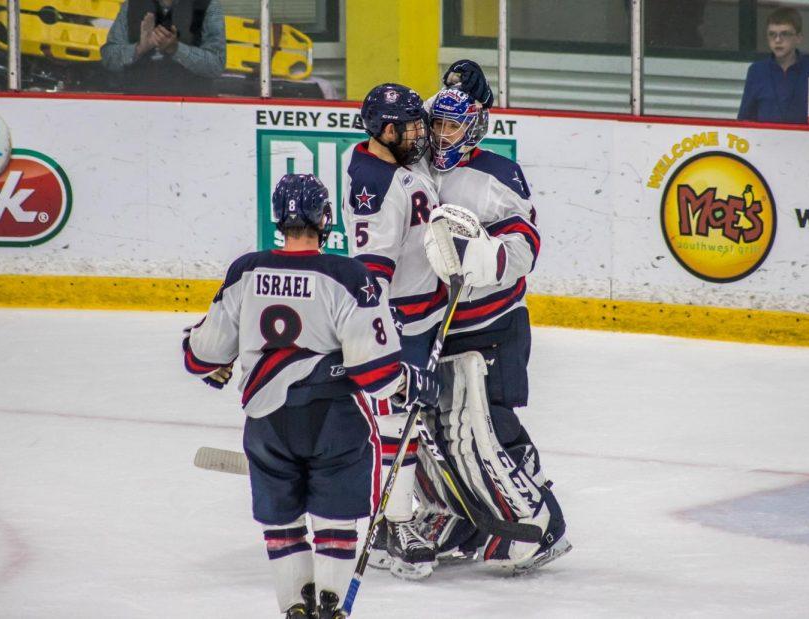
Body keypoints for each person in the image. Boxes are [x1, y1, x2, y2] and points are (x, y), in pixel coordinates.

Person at [182, 173, 439, 618]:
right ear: (326, 218)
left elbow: (202, 355)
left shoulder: (246, 270)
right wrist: (414, 383)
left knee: (282, 524)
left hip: (266, 423)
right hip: (334, 420)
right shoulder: (348, 275)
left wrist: (212, 361)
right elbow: (376, 374)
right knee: (335, 524)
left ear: (278, 218)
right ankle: (332, 608)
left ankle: (294, 609)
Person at [410, 62, 572, 574]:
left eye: (452, 127)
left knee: (490, 423)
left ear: (475, 125)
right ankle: (460, 515)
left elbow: (526, 242)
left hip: (494, 324)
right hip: (442, 324)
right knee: (440, 428)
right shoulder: (419, 168)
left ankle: (533, 512)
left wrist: (489, 258)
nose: (440, 135)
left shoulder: (498, 173)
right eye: (437, 124)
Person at [341, 83, 445, 579]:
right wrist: (389, 346)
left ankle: (394, 514)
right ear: (384, 131)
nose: (420, 134)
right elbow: (371, 279)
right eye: (409, 127)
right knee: (396, 424)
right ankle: (395, 526)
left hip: (423, 316)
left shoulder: (396, 160)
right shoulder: (374, 186)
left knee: (411, 424)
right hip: (399, 322)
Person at [737, 7, 809, 124]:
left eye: (785, 34)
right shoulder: (757, 71)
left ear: (798, 38)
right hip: (764, 140)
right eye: (772, 34)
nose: (777, 40)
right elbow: (744, 119)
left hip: (805, 140)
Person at [100, 0, 225, 96]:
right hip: (138, 108)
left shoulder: (209, 6)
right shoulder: (131, 5)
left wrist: (176, 49)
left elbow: (217, 64)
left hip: (192, 110)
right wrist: (139, 48)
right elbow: (108, 58)